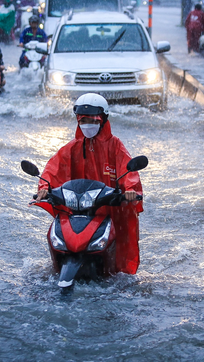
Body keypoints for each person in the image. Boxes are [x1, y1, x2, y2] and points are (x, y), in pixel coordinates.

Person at [35, 94, 143, 274]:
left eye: (92, 119)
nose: (87, 124)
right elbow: (53, 169)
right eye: (83, 120)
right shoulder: (72, 148)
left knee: (121, 253)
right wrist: (44, 189)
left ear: (103, 119)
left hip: (109, 208)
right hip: (79, 209)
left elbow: (128, 170)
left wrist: (130, 189)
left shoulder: (115, 145)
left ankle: (117, 275)